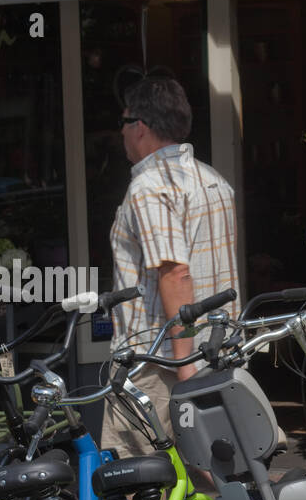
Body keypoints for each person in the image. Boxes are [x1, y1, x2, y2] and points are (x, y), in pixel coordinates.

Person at [101, 75, 240, 459]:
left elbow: (175, 273)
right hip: (218, 354)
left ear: (140, 127)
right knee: (213, 485)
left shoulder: (150, 187)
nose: (122, 135)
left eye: (123, 123)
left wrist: (184, 371)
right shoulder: (213, 180)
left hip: (159, 367)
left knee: (138, 491)